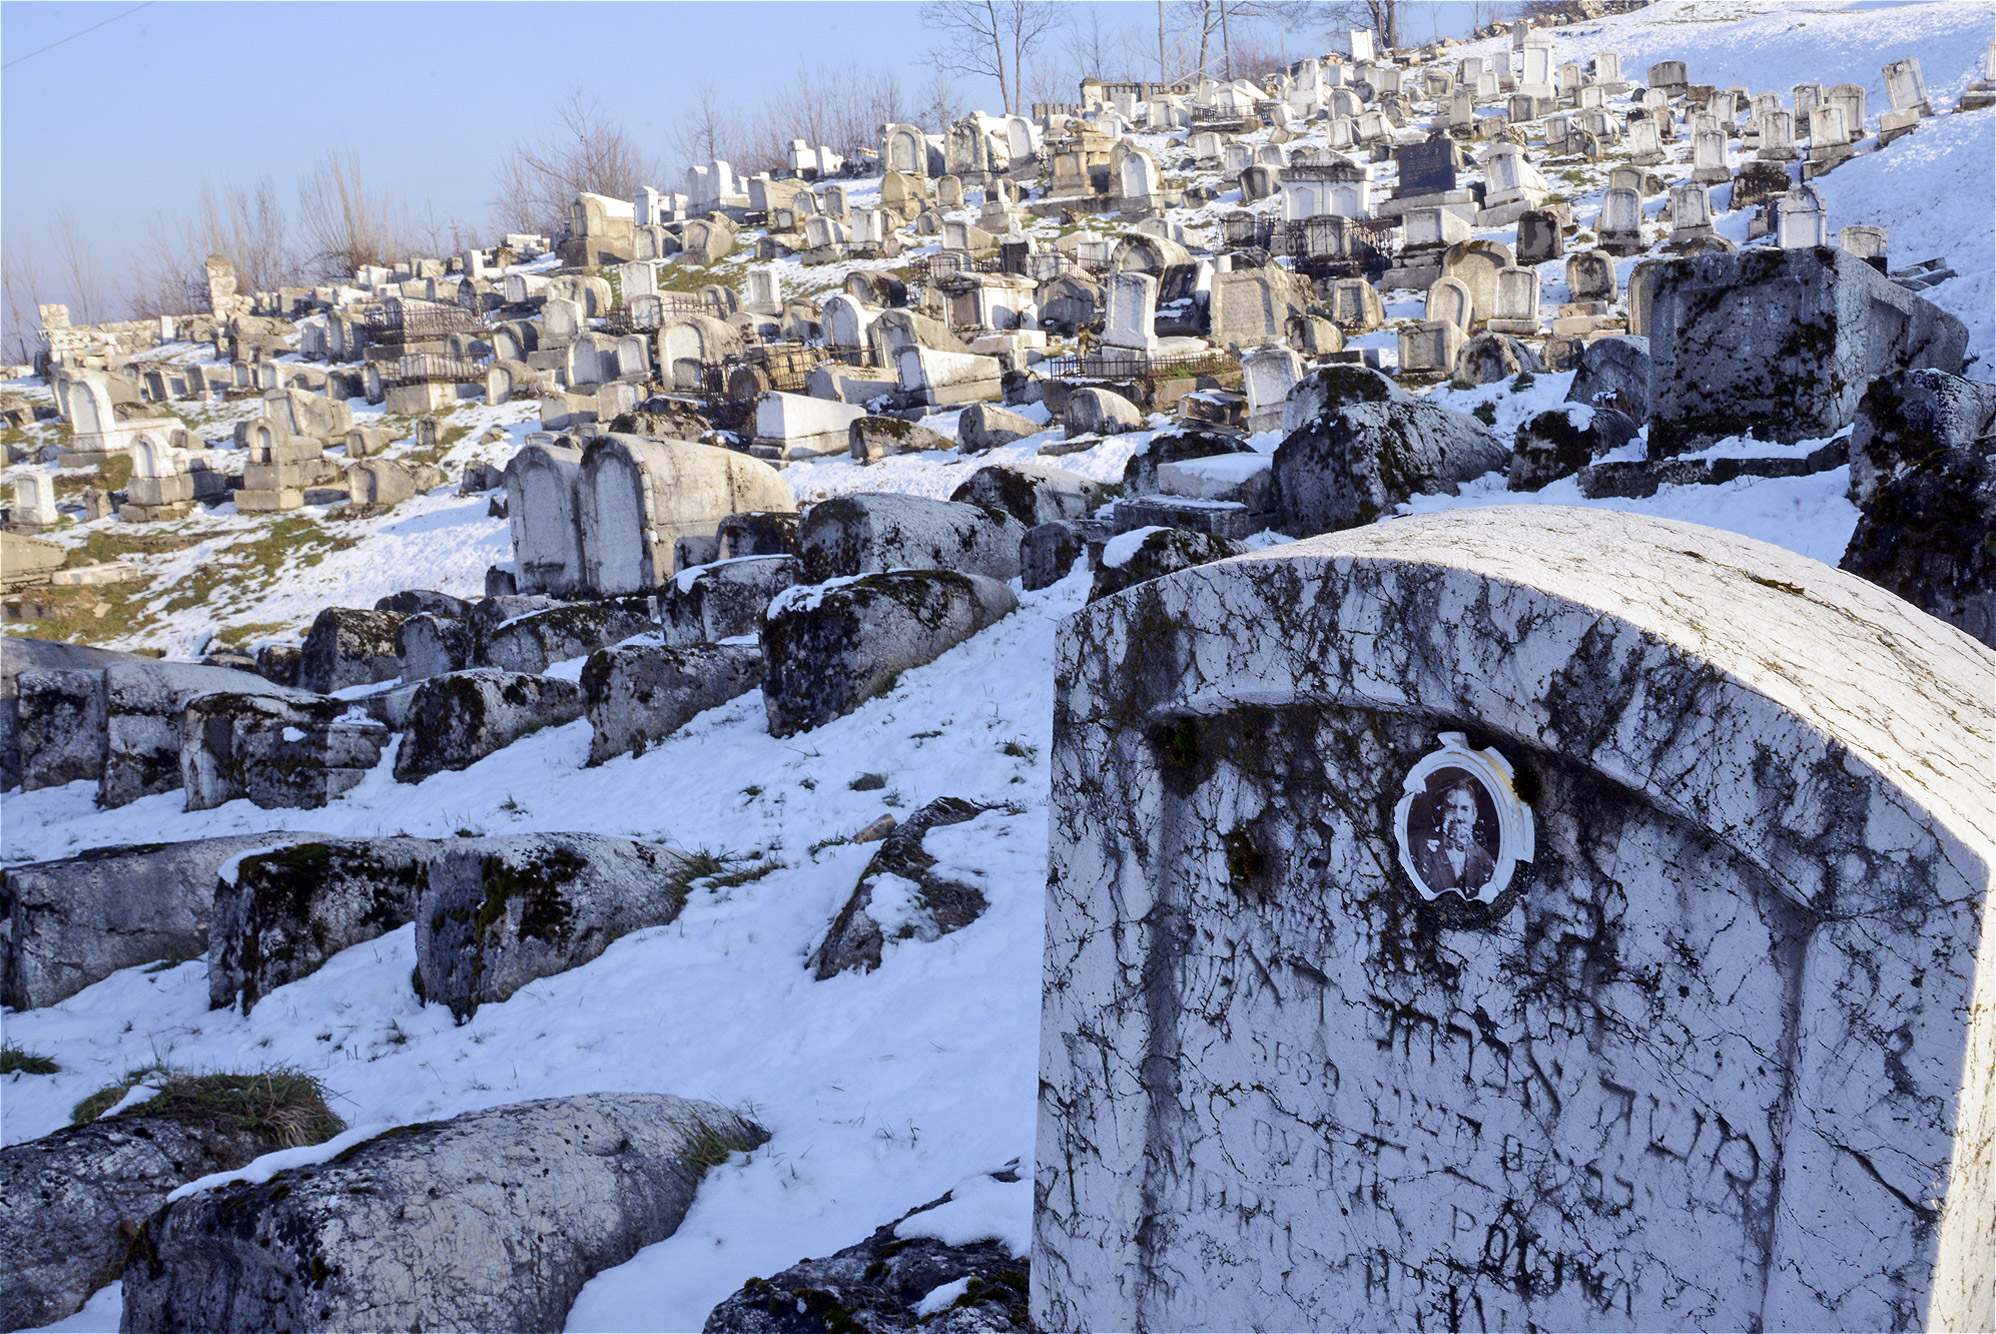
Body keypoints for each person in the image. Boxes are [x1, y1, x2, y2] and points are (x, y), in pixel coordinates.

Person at [1414, 778, 1495, 894]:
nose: (1457, 815)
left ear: (1474, 815)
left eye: (1464, 809)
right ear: (1442, 810)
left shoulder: (1486, 861)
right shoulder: (1418, 846)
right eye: (1451, 807)